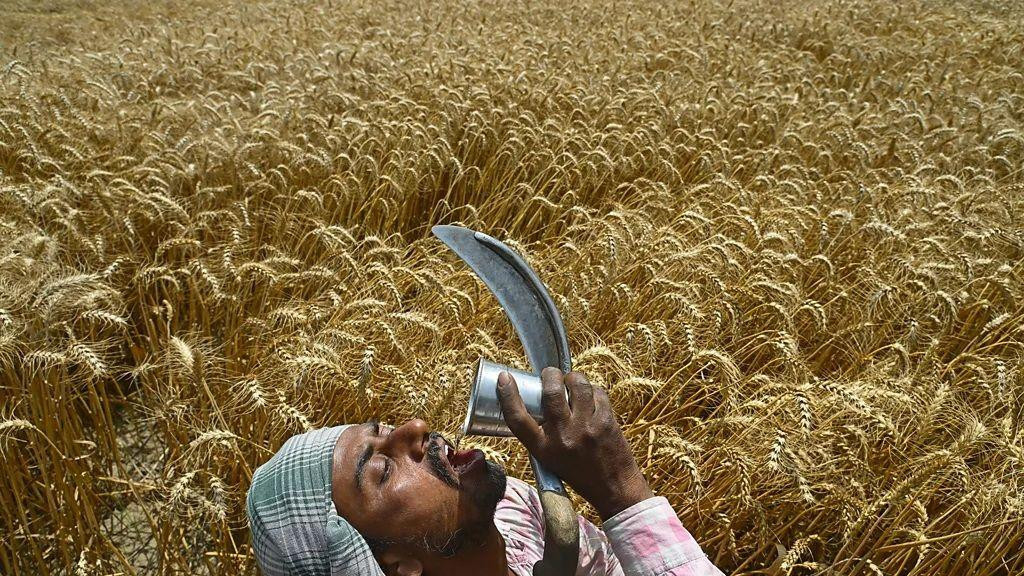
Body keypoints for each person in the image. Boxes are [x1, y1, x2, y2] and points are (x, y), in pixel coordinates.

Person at [247, 368, 725, 576]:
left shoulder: (515, 510)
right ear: (393, 565)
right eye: (382, 469)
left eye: (386, 429)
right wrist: (622, 495)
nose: (415, 427)